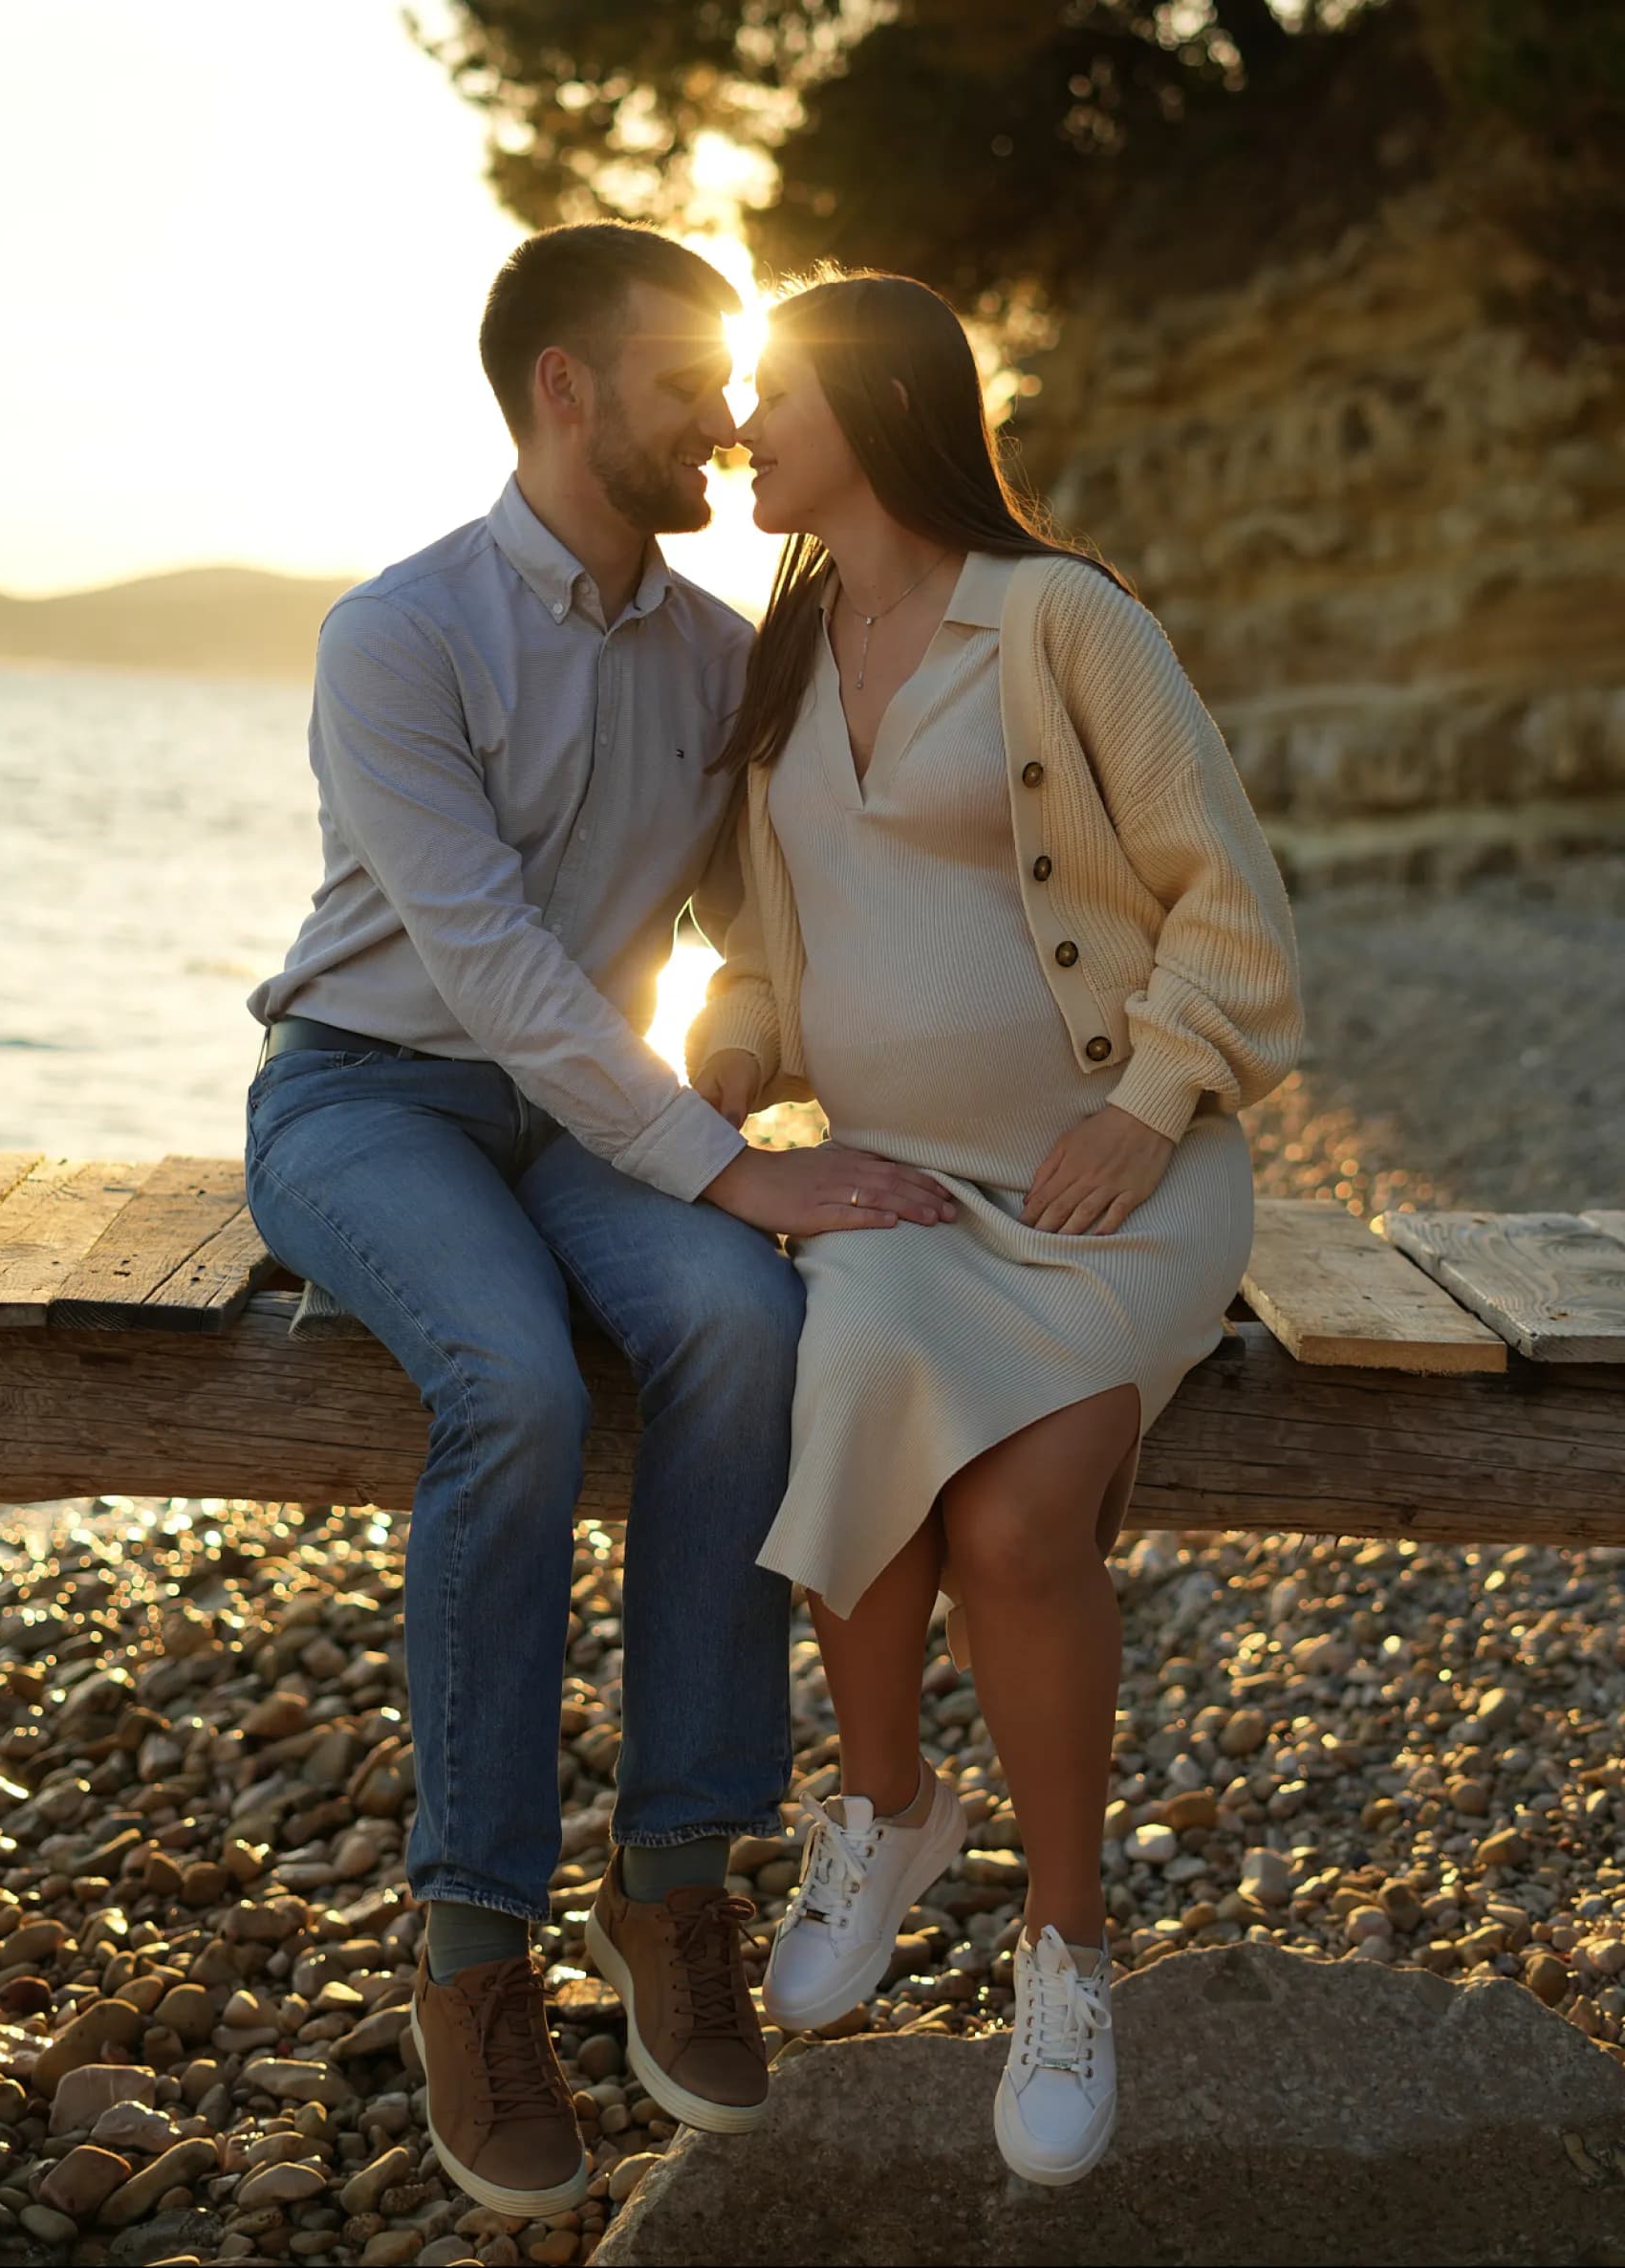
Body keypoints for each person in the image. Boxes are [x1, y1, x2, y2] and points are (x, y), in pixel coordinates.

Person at [243, 226, 954, 2218]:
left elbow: (749, 912)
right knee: (513, 1385)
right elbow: (482, 964)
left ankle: (673, 1881)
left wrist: (732, 1026)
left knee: (747, 1326)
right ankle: (473, 1947)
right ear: (564, 389)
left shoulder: (725, 654)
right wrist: (730, 1167)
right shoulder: (397, 635)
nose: (723, 419)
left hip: (584, 1119)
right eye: (684, 382)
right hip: (367, 1094)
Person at [688, 270, 1302, 2187]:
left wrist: (1145, 1104)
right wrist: (732, 1056)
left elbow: (1227, 896)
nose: (740, 430)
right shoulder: (786, 649)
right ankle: (884, 1805)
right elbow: (758, 937)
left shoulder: (1058, 617)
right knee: (848, 1383)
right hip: (889, 1181)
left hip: (1110, 1183)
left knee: (1021, 1529)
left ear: (876, 407)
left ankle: (1066, 1946)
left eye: (771, 396)